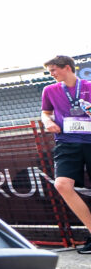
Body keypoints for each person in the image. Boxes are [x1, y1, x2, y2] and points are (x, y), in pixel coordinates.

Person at [40, 55, 91, 253]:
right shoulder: (49, 90)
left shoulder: (88, 85)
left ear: (67, 68)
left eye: (54, 70)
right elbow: (45, 113)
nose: (51, 74)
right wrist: (48, 123)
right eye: (50, 71)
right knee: (61, 184)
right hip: (66, 142)